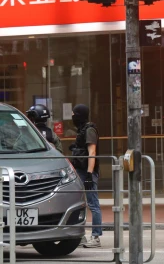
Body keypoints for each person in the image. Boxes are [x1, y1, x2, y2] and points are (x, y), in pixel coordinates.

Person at [69, 104, 102, 248]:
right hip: (81, 170)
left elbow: (92, 153)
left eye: (74, 114)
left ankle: (96, 237)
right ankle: (80, 236)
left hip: (87, 171)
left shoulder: (89, 130)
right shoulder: (82, 130)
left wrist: (89, 174)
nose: (72, 117)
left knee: (93, 204)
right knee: (78, 203)